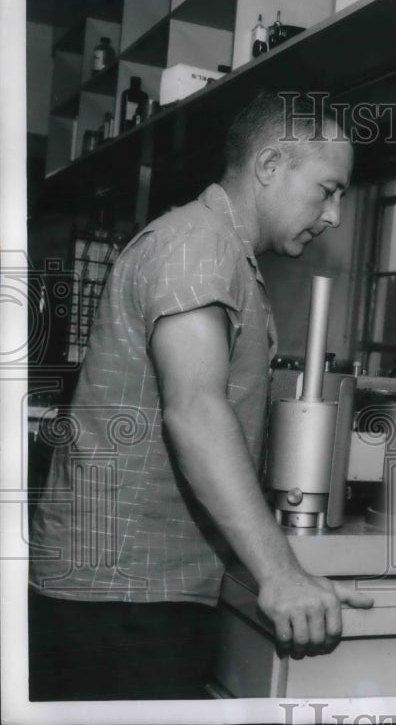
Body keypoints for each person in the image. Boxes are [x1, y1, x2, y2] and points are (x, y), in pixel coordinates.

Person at [28, 91, 373, 701]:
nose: (336, 215)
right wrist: (280, 573)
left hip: (133, 588)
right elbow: (194, 411)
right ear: (270, 166)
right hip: (124, 597)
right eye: (328, 189)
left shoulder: (216, 248)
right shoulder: (200, 245)